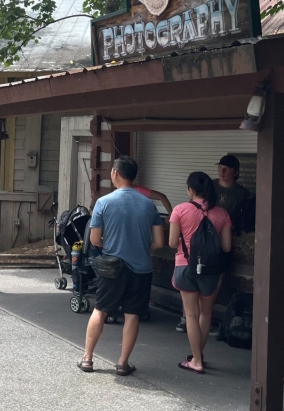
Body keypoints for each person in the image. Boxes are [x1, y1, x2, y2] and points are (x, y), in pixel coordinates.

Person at [78, 156, 165, 375]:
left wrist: (114, 244)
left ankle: (87, 359)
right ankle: (123, 363)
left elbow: (95, 239)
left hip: (112, 267)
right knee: (132, 314)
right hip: (141, 268)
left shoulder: (104, 202)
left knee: (100, 309)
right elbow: (159, 242)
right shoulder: (148, 205)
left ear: (115, 173)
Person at [169, 172, 233, 375]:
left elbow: (171, 243)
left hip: (185, 266)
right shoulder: (222, 213)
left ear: (190, 189)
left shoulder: (180, 210)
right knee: (206, 313)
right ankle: (198, 355)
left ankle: (196, 360)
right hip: (211, 269)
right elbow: (226, 246)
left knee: (191, 314)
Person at [215, 155, 252, 226]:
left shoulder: (242, 193)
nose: (222, 171)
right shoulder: (209, 185)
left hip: (230, 230)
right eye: (220, 167)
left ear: (235, 172)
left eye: (227, 169)